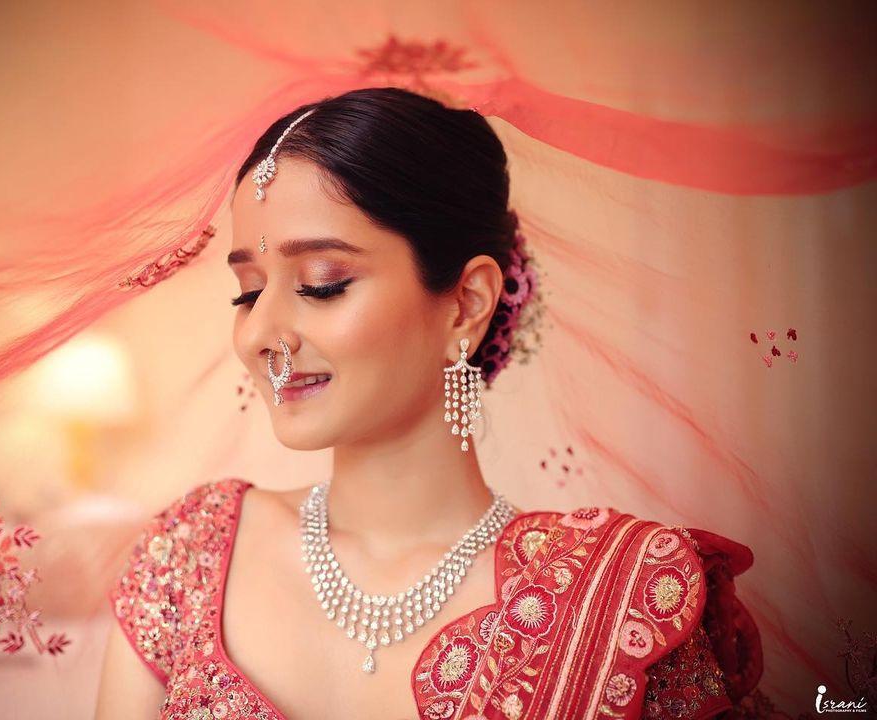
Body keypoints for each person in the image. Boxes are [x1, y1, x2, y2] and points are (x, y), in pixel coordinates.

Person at [94, 87, 761, 720]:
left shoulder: (616, 593)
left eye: (323, 284)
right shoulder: (186, 557)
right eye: (247, 292)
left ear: (467, 303)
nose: (260, 335)